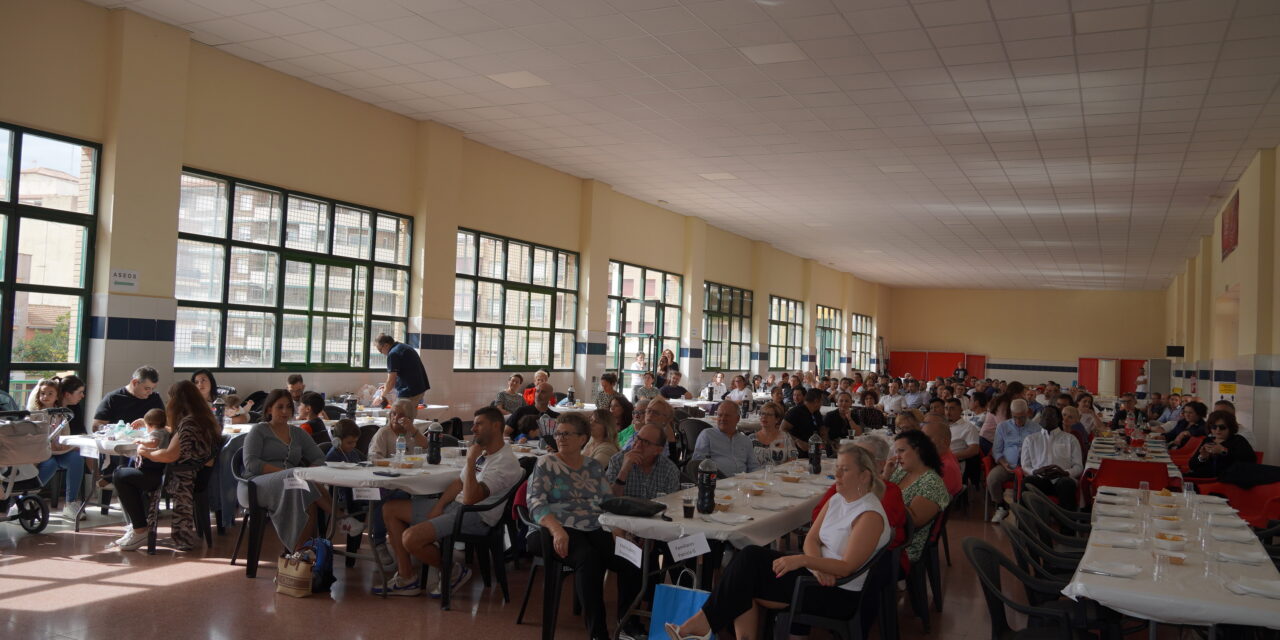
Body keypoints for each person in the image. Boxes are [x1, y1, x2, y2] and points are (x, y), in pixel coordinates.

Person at [666, 444, 890, 640]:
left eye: (845, 469)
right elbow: (811, 538)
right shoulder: (839, 499)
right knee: (748, 558)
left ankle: (701, 625)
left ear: (864, 476)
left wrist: (803, 561)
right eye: (837, 468)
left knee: (746, 573)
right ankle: (704, 625)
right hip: (817, 575)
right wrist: (814, 563)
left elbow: (847, 567)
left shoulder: (869, 515)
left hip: (836, 593)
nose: (837, 474)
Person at [378, 406, 523, 596]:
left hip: (477, 516)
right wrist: (439, 507)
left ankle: (454, 570)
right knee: (390, 509)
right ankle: (407, 578)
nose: (473, 428)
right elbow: (458, 483)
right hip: (456, 507)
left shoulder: (505, 462)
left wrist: (470, 461)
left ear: (496, 426)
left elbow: (471, 499)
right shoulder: (485, 453)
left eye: (479, 424)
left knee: (411, 538)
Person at [527, 414, 616, 640]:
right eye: (558, 433)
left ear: (582, 438)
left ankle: (629, 623)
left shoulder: (593, 466)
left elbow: (608, 502)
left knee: (630, 559)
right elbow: (535, 503)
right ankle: (599, 634)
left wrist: (619, 530)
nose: (561, 438)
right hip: (554, 528)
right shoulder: (546, 463)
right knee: (588, 558)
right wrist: (557, 530)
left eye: (567, 433)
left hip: (594, 527)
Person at [117, 380, 222, 551]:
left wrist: (144, 452)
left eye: (170, 398)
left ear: (177, 400)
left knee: (121, 475)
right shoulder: (205, 420)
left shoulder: (189, 424)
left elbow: (169, 455)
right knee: (129, 474)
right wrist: (148, 424)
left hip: (178, 479)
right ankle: (140, 526)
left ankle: (140, 529)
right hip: (198, 475)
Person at [240, 389, 329, 549]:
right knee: (298, 478)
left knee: (306, 493)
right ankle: (340, 518)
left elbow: (319, 457)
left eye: (288, 407)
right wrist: (287, 473)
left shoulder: (298, 433)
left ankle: (301, 553)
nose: (285, 411)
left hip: (292, 483)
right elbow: (251, 463)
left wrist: (308, 472)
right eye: (279, 407)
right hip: (255, 485)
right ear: (268, 409)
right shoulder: (259, 430)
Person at [105, 408, 171, 550]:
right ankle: (136, 525)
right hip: (156, 470)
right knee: (121, 472)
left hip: (153, 473)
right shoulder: (165, 430)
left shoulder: (156, 433)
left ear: (150, 425)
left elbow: (153, 442)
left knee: (120, 475)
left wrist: (141, 441)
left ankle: (139, 528)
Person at [883, 429, 949, 564]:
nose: (897, 457)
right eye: (896, 452)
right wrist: (885, 476)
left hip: (904, 547)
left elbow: (913, 522)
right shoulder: (902, 472)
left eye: (901, 451)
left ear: (918, 451)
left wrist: (887, 491)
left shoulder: (931, 483)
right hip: (887, 531)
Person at [29, 377, 86, 521]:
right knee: (51, 463)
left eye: (50, 394)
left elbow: (64, 432)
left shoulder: (63, 413)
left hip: (57, 451)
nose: (46, 397)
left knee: (77, 458)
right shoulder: (36, 413)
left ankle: (70, 503)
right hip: (42, 453)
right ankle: (27, 498)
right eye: (43, 394)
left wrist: (66, 445)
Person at [987, 399, 1041, 523]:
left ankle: (1023, 511)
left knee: (1024, 483)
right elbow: (997, 450)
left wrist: (1028, 467)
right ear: (1011, 414)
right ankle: (1000, 506)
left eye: (1021, 417)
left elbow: (1039, 451)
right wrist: (1003, 463)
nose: (1018, 421)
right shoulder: (1003, 426)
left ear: (1027, 413)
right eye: (1015, 417)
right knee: (992, 479)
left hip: (1027, 467)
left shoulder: (1036, 428)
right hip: (1008, 464)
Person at [1018, 406, 1082, 509]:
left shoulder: (1070, 439)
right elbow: (1025, 465)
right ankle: (1025, 522)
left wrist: (1065, 473)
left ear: (1058, 419)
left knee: (1066, 484)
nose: (1047, 418)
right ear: (1040, 419)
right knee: (1027, 482)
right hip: (1040, 479)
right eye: (1044, 415)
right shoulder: (1030, 439)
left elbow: (1078, 466)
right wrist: (1035, 471)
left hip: (1062, 479)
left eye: (1051, 415)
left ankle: (1067, 523)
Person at [607, 423, 680, 499]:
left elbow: (673, 506)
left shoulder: (669, 470)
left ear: (658, 450)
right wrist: (624, 471)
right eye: (638, 438)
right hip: (622, 511)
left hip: (657, 511)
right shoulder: (617, 461)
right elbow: (609, 501)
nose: (638, 445)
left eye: (646, 442)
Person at [691, 401, 757, 477]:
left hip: (742, 483)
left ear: (737, 418)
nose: (722, 418)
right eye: (720, 415)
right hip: (716, 482)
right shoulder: (707, 435)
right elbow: (697, 464)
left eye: (727, 415)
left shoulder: (745, 440)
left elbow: (753, 466)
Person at [1187, 411, 1255, 479]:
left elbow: (1250, 461)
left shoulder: (1238, 440)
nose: (1218, 430)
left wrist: (1224, 451)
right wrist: (1202, 457)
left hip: (1226, 480)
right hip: (1204, 478)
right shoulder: (1208, 440)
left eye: (1222, 427)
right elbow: (1192, 465)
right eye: (1214, 427)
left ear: (1230, 427)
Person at [93, 365, 165, 430]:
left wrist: (147, 425)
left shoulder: (154, 398)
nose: (150, 392)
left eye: (153, 388)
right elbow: (96, 426)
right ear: (134, 383)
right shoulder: (113, 398)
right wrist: (113, 429)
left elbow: (166, 427)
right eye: (147, 388)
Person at [375, 334, 430, 406]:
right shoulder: (404, 347)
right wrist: (386, 386)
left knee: (400, 415)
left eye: (380, 350)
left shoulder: (393, 354)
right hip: (419, 389)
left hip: (409, 392)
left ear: (386, 345)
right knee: (408, 415)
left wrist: (381, 396)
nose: (381, 353)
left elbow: (391, 381)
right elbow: (407, 371)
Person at [922, 413, 963, 495]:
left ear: (944, 442)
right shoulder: (943, 456)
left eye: (927, 439)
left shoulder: (945, 468)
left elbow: (928, 499)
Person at [980, 381, 1025, 456]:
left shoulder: (1008, 402)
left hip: (994, 439)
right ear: (1016, 394)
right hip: (988, 440)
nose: (1023, 396)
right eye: (1022, 393)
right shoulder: (1002, 403)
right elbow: (1003, 425)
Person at [750, 401, 796, 467]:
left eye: (769, 414)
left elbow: (793, 458)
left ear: (777, 419)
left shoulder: (786, 437)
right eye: (762, 413)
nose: (764, 417)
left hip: (779, 475)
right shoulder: (751, 438)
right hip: (755, 475)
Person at [781, 389, 824, 457]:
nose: (822, 403)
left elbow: (821, 429)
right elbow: (782, 430)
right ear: (816, 401)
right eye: (821, 401)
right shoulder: (795, 412)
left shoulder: (816, 412)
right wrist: (797, 441)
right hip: (797, 452)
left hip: (814, 450)